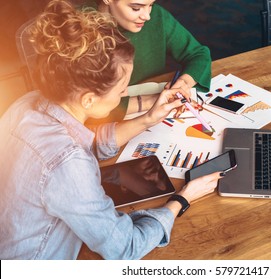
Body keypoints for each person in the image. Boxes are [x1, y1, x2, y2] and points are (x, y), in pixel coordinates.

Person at [0, 0, 222, 260]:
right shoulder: (69, 164)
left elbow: (84, 144)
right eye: (121, 89)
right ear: (89, 100)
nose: (126, 92)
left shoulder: (25, 105)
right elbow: (124, 248)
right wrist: (182, 199)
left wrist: (148, 119)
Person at [86, 0, 212, 121]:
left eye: (151, 4)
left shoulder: (157, 16)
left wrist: (184, 83)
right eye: (136, 8)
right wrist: (150, 101)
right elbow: (85, 108)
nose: (147, 16)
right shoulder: (78, 32)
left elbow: (199, 54)